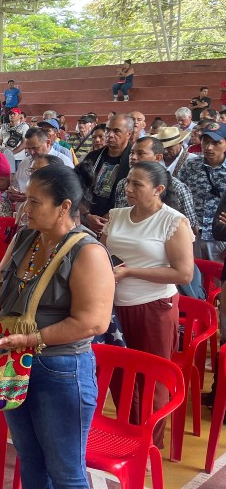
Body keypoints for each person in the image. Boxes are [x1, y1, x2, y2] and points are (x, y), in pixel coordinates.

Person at [0, 164, 115, 489]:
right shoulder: (26, 237)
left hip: (60, 369)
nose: (24, 209)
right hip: (15, 362)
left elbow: (93, 321)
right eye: (25, 200)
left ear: (64, 207)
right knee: (30, 461)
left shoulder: (87, 252)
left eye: (35, 202)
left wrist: (31, 338)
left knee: (65, 471)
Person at [102, 161, 194, 449]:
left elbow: (183, 274)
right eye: (127, 182)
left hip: (154, 306)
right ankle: (128, 433)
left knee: (152, 379)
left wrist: (130, 271)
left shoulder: (173, 221)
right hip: (115, 307)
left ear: (159, 190)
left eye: (137, 185)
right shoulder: (116, 215)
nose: (128, 188)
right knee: (119, 374)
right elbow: (101, 254)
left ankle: (148, 444)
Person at [111, 136, 197, 228]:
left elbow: (190, 226)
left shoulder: (177, 188)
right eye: (132, 153)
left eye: (140, 153)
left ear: (158, 158)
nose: (133, 157)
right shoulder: (123, 184)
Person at [178, 121, 226, 260]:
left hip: (220, 239)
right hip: (193, 235)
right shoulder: (191, 165)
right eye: (205, 142)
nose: (209, 147)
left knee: (217, 278)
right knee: (193, 278)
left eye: (216, 143)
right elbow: (178, 195)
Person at [81, 114, 132, 234]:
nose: (110, 135)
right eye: (108, 130)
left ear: (128, 134)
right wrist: (87, 215)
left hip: (120, 224)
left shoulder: (134, 160)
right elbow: (79, 188)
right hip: (88, 220)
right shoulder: (92, 157)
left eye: (116, 131)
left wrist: (108, 218)